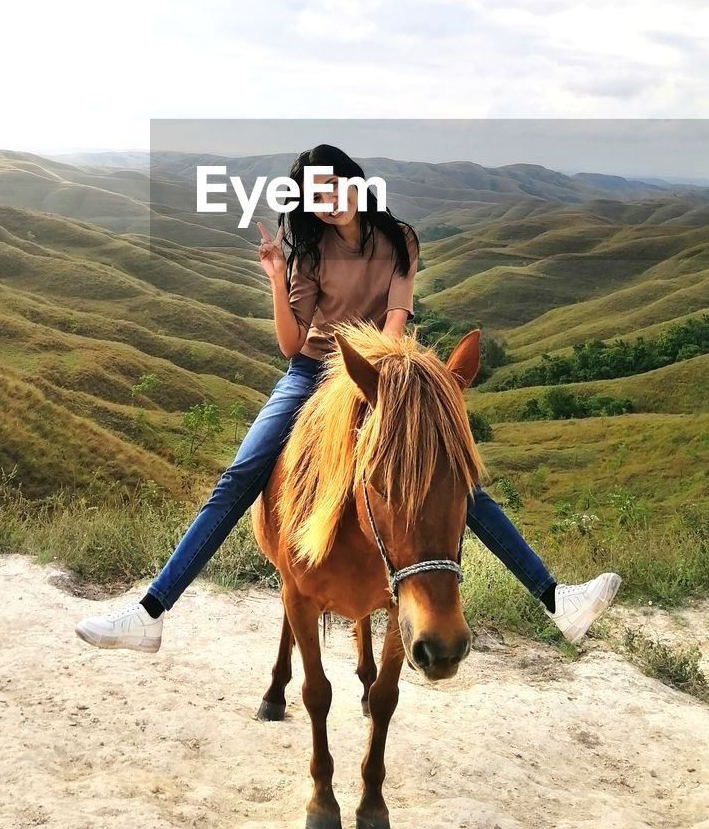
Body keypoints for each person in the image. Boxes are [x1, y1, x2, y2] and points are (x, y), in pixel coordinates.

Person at [75, 143, 621, 654]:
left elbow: (397, 320)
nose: (326, 201)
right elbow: (293, 342)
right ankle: (152, 611)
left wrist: (380, 378)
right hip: (312, 371)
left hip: (380, 371)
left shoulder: (399, 240)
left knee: (450, 475)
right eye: (314, 195)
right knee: (241, 476)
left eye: (333, 187)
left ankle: (555, 599)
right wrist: (274, 277)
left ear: (356, 184)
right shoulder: (310, 253)